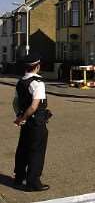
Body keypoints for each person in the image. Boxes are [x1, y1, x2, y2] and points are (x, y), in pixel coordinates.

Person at [13, 53, 50, 192]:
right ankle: (33, 181)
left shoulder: (21, 81)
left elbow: (15, 102)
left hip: (26, 122)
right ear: (37, 66)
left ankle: (19, 178)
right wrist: (23, 118)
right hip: (36, 123)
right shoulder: (37, 83)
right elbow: (34, 106)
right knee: (36, 151)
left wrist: (19, 117)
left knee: (23, 149)